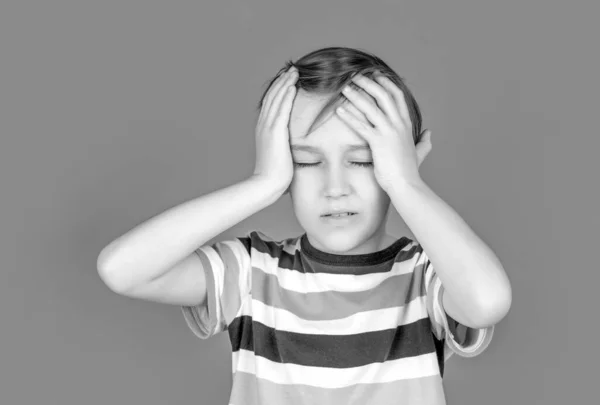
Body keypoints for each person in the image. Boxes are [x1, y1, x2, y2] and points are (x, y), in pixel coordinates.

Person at [97, 46, 512, 404]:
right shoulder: (252, 272)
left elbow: (487, 301)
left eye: (363, 160)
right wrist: (261, 185)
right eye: (307, 162)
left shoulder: (425, 276)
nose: (335, 187)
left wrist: (407, 183)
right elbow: (122, 269)